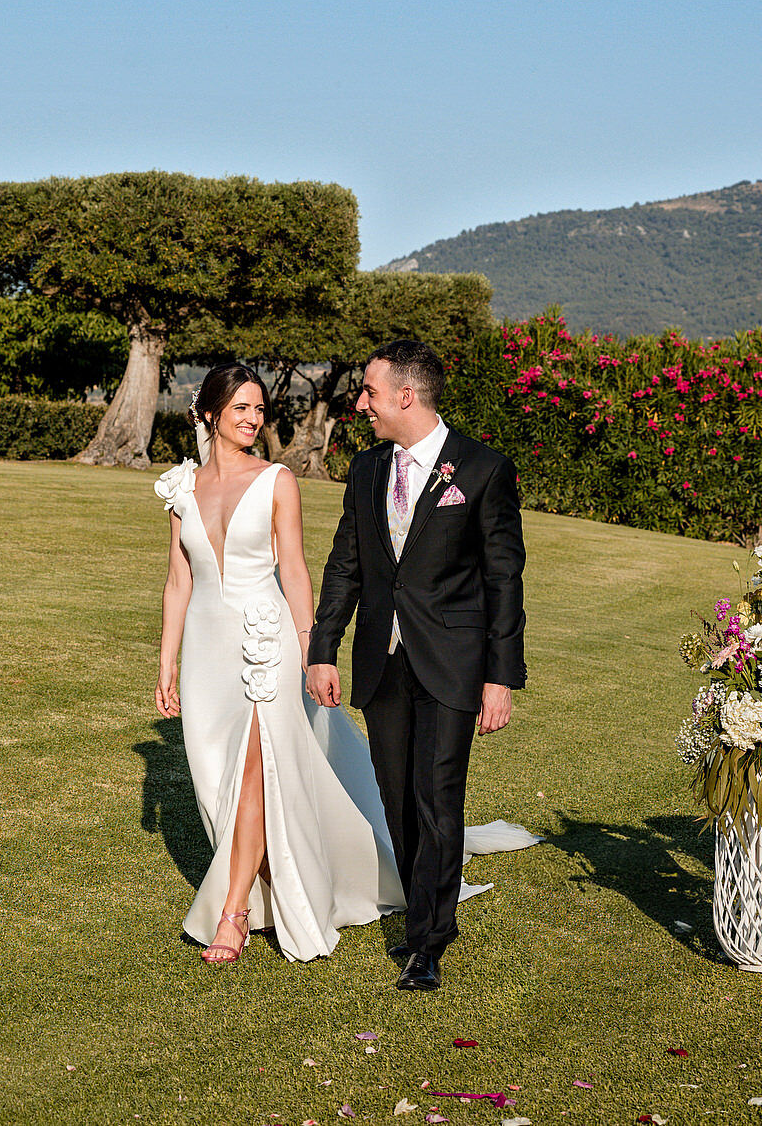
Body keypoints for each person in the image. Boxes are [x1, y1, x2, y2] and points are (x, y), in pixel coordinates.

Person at [155, 364, 402, 963]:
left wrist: (314, 651)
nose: (253, 419)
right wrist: (166, 664)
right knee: (215, 776)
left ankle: (233, 912)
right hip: (206, 654)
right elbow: (178, 582)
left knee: (253, 773)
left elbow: (294, 569)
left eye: (259, 409)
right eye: (241, 407)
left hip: (266, 643)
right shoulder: (181, 489)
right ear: (209, 413)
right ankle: (265, 879)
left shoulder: (277, 480)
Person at [306, 339, 528, 992]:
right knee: (399, 801)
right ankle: (420, 908)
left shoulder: (483, 469)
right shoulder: (367, 469)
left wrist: (500, 676)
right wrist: (323, 649)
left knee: (437, 800)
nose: (361, 403)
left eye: (369, 392)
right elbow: (345, 565)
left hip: (453, 664)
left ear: (406, 395)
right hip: (382, 663)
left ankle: (429, 940)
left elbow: (504, 579)